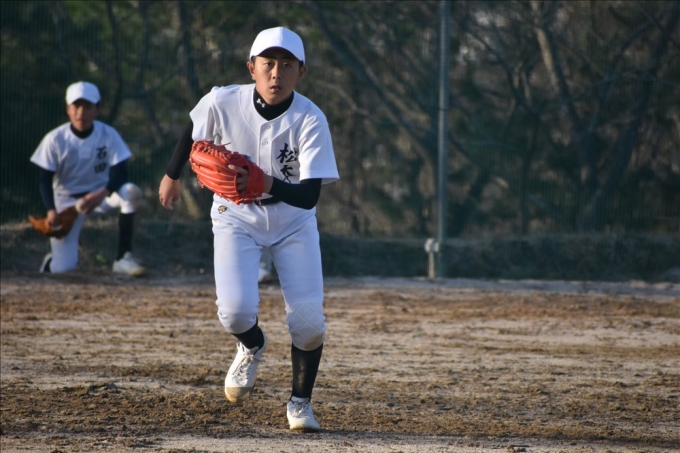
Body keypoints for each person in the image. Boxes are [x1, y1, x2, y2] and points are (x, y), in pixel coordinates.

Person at [158, 26, 339, 432]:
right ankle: (252, 344)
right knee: (235, 312)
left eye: (287, 65)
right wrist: (171, 175)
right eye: (268, 63)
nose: (277, 73)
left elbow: (309, 196)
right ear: (251, 67)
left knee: (309, 323)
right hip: (236, 214)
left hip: (293, 220)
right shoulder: (223, 100)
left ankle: (300, 403)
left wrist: (265, 181)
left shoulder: (311, 119)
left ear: (301, 72)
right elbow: (192, 129)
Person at [30, 81, 146, 276]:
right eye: (76, 106)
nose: (81, 112)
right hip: (67, 204)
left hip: (100, 197)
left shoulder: (108, 134)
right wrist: (51, 210)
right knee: (63, 270)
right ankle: (51, 262)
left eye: (88, 106)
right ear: (68, 109)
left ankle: (123, 258)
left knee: (130, 192)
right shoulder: (55, 138)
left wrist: (102, 194)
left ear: (97, 110)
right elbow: (44, 180)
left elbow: (121, 173)